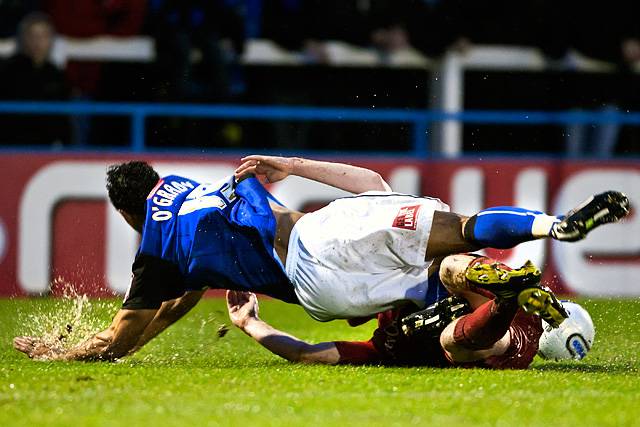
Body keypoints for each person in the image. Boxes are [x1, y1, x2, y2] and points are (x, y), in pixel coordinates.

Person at [13, 155, 627, 361]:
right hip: (318, 236)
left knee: (441, 322)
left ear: (126, 215)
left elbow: (135, 330)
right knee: (457, 238)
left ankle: (484, 308)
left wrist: (68, 350)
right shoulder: (185, 186)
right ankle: (551, 232)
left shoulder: (157, 253)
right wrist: (288, 164)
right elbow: (361, 177)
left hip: (322, 294)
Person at [226, 253, 593, 368]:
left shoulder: (386, 347)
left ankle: (505, 298)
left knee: (456, 340)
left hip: (498, 332)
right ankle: (505, 295)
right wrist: (248, 322)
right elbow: (305, 353)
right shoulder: (387, 333)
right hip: (493, 309)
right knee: (449, 269)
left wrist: (249, 323)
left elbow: (304, 353)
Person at [0, 12, 70, 145]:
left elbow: (64, 119)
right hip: (10, 147)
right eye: (32, 36)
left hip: (45, 148)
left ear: (51, 39)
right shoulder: (6, 71)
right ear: (22, 38)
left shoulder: (56, 74)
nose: (37, 42)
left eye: (43, 36)